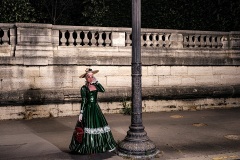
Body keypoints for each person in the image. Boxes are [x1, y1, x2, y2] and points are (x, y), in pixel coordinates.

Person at [69, 68, 116, 154]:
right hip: (88, 108)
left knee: (99, 125)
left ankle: (103, 145)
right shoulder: (84, 88)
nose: (90, 78)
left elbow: (103, 90)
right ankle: (89, 147)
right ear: (86, 78)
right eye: (88, 77)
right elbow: (83, 100)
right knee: (88, 126)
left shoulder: (96, 85)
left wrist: (97, 82)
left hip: (95, 107)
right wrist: (81, 113)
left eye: (92, 76)